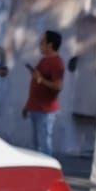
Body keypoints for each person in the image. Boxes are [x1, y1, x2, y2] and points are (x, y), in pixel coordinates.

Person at [22, 29, 65, 158]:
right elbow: (36, 85)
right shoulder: (44, 60)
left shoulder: (57, 63)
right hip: (36, 108)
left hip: (45, 111)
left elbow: (58, 86)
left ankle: (46, 170)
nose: (40, 45)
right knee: (36, 144)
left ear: (50, 45)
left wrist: (41, 80)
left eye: (42, 42)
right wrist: (27, 105)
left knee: (44, 143)